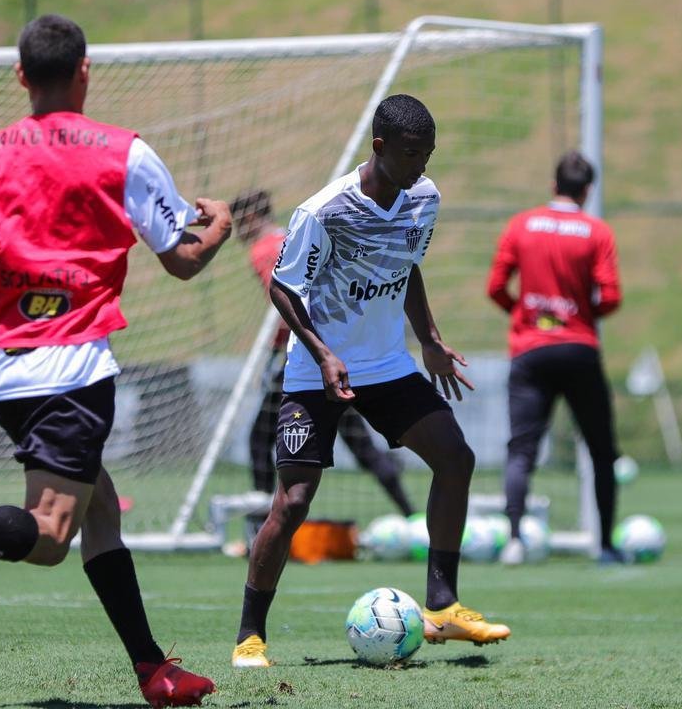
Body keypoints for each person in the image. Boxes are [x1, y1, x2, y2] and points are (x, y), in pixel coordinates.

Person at [0, 14, 232, 707]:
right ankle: (153, 671)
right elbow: (182, 260)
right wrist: (222, 227)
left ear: (20, 75)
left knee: (101, 506)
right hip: (73, 369)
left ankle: (152, 670)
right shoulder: (125, 153)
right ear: (84, 70)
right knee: (51, 536)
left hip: (4, 368)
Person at [231, 93, 511, 669]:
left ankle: (443, 607)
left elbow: (405, 268)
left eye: (428, 153)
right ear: (379, 147)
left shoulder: (423, 198)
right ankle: (250, 635)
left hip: (386, 366)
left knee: (455, 458)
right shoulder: (324, 211)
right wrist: (322, 353)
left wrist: (429, 340)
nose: (421, 165)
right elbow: (284, 287)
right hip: (315, 371)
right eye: (411, 153)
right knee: (293, 502)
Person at [229, 189, 416, 534]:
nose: (237, 232)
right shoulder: (290, 238)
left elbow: (290, 302)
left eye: (238, 223)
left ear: (250, 218)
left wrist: (276, 350)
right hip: (336, 351)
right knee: (359, 443)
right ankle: (412, 516)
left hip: (307, 358)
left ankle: (262, 528)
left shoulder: (264, 250)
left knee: (261, 437)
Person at [486, 150, 624, 566]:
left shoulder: (521, 225)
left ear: (553, 185)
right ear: (587, 191)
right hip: (579, 348)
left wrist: (523, 313)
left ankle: (514, 540)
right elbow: (611, 296)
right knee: (601, 451)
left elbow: (496, 286)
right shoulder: (596, 232)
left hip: (531, 350)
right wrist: (581, 315)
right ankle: (605, 546)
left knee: (521, 450)